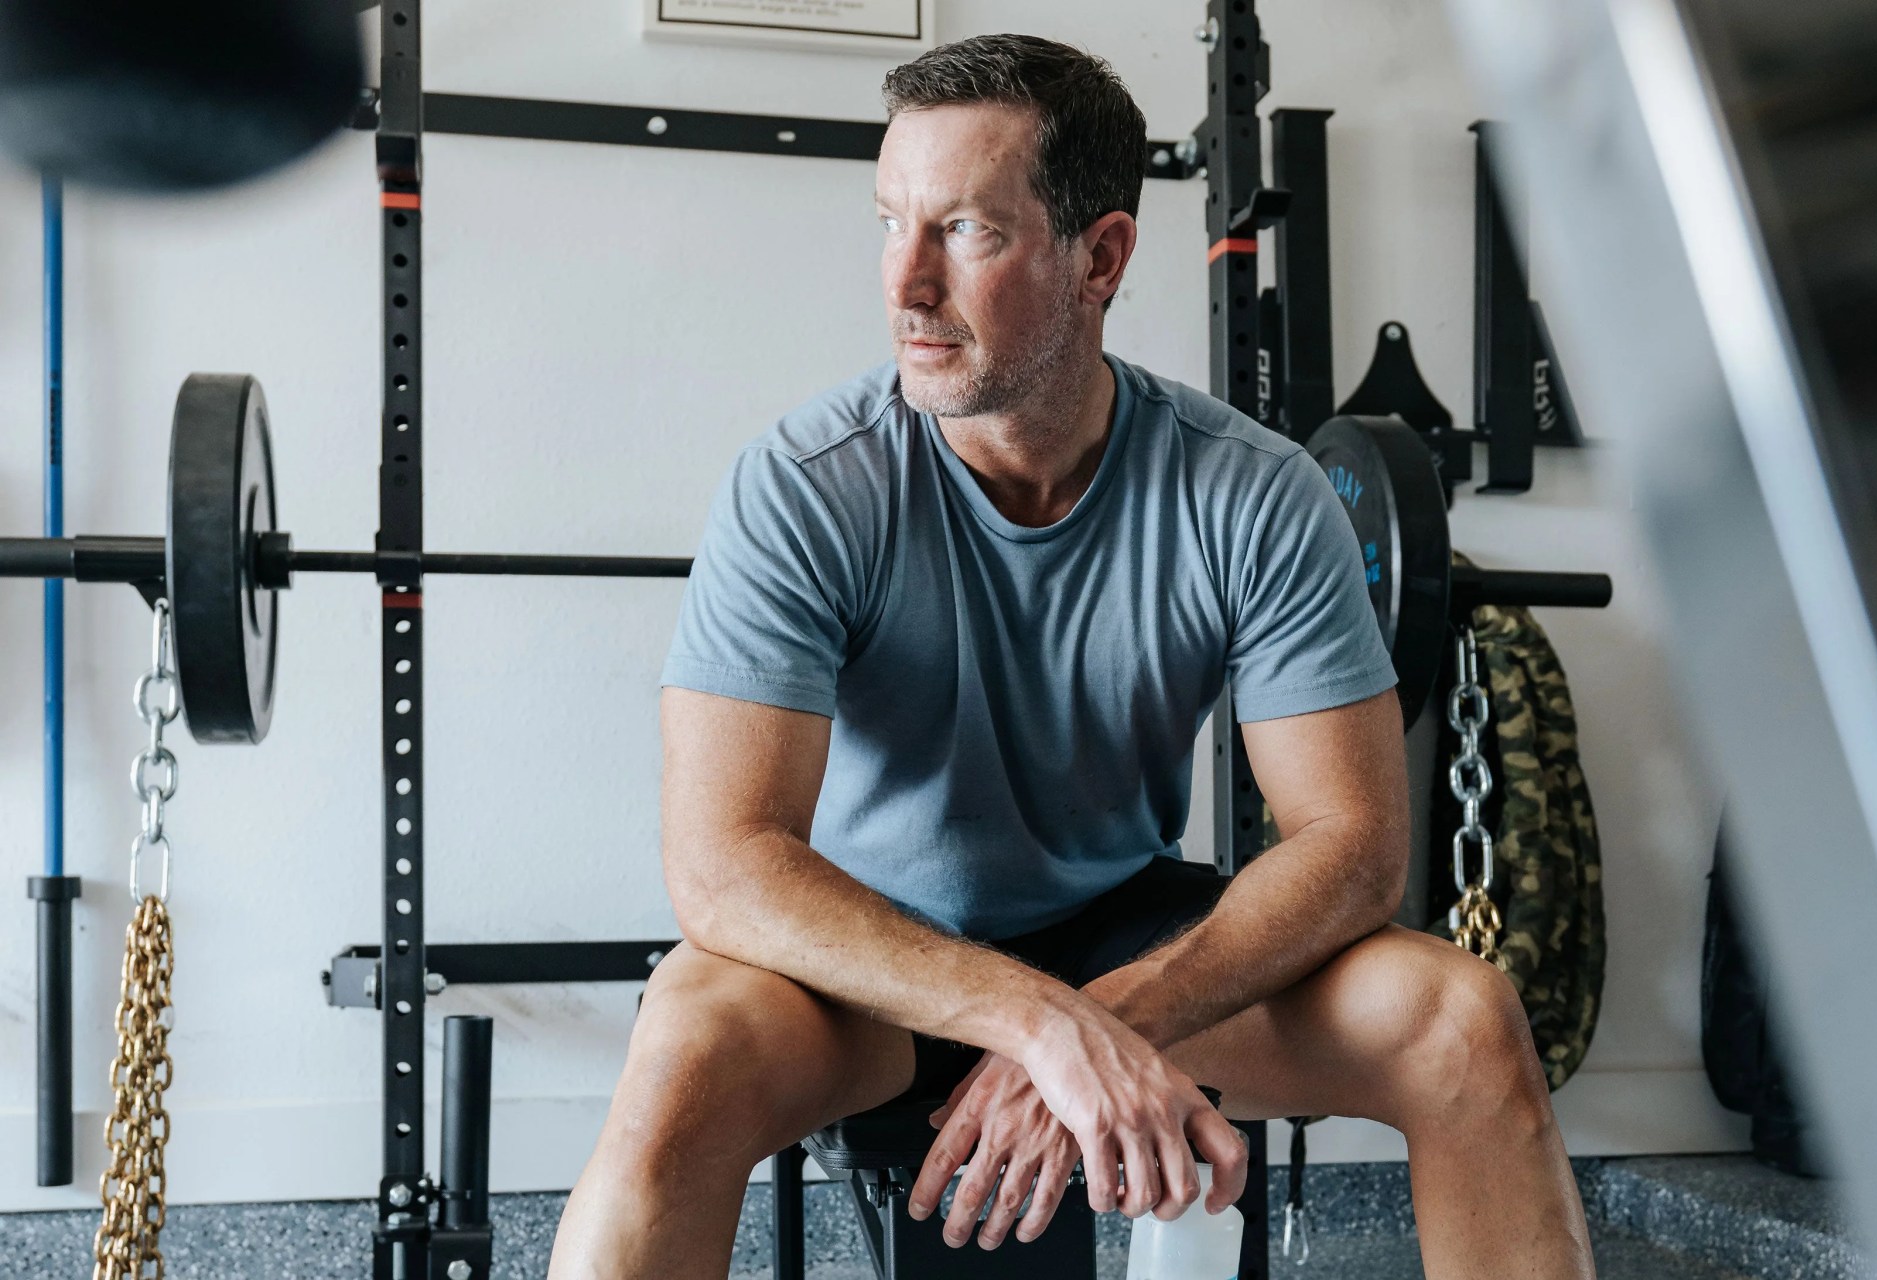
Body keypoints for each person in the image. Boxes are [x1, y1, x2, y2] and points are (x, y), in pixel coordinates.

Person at [548, 33, 1596, 1280]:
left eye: (966, 233)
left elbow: (1354, 843)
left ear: (1099, 257)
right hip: (875, 960)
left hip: (1127, 936)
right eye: (891, 223)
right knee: (684, 1048)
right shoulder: (805, 487)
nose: (908, 284)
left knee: (1462, 1022)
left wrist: (1105, 1020)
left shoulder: (1252, 493)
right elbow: (722, 866)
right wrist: (1035, 1022)